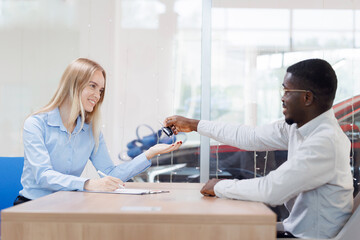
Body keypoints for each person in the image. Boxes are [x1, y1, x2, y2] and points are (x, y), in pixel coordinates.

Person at [164, 59, 353, 239]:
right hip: (294, 230)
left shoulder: (325, 142)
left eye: (287, 91)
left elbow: (272, 190)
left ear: (307, 97)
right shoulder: (298, 128)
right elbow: (250, 137)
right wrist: (195, 125)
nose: (282, 98)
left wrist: (220, 186)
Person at [15, 58, 182, 205]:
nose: (97, 95)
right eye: (92, 86)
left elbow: (110, 173)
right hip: (33, 206)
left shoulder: (91, 130)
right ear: (73, 85)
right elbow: (43, 175)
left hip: (66, 206)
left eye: (101, 90)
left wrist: (149, 153)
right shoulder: (36, 124)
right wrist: (88, 183)